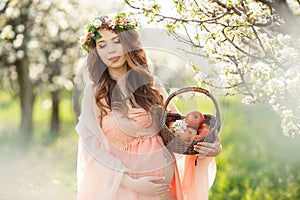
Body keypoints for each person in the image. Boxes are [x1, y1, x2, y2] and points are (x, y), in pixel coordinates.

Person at [75, 12, 222, 200]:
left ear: (129, 43)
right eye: (102, 45)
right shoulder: (96, 92)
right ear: (96, 51)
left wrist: (210, 146)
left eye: (116, 41)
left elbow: (180, 130)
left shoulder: (152, 85)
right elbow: (92, 147)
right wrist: (133, 184)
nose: (110, 50)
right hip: (123, 191)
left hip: (165, 192)